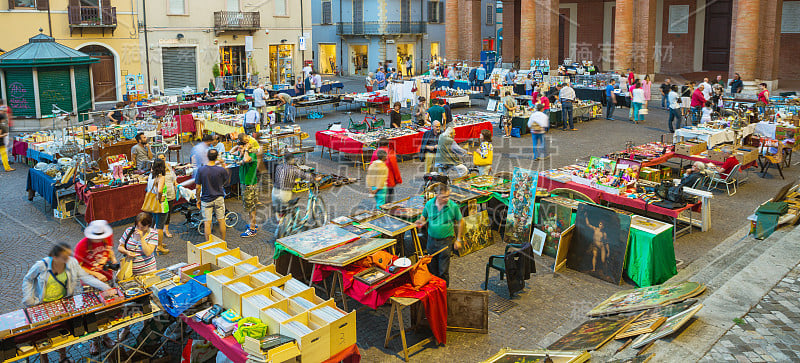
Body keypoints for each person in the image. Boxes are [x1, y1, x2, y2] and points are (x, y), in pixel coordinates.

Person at [23, 243, 111, 363]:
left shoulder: (71, 263)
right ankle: (45, 359)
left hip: (63, 302)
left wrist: (106, 288)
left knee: (61, 331)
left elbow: (86, 277)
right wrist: (29, 299)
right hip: (43, 304)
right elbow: (28, 279)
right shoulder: (41, 265)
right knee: (43, 334)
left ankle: (62, 356)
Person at [74, 220, 117, 354]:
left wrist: (113, 260)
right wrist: (95, 274)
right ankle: (94, 341)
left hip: (107, 278)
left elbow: (109, 250)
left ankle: (106, 336)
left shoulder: (107, 237)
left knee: (107, 310)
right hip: (89, 283)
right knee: (92, 312)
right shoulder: (82, 246)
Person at [414, 184, 463, 286]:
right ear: (437, 195)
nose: (447, 199)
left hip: (445, 241)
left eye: (448, 196)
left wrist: (458, 239)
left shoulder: (453, 206)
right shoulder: (429, 204)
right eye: (444, 197)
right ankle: (435, 290)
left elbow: (460, 221)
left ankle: (445, 291)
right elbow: (424, 216)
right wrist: (421, 221)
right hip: (431, 241)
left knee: (443, 270)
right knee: (432, 267)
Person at [195, 149, 230, 241]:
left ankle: (208, 243)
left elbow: (198, 187)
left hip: (206, 199)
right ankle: (223, 240)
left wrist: (198, 199)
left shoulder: (201, 170)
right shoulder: (221, 170)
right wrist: (223, 164)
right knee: (221, 220)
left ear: (207, 156)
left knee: (207, 222)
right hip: (218, 197)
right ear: (217, 157)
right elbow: (227, 180)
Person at [231, 133, 261, 237]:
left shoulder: (250, 155)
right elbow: (231, 152)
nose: (238, 149)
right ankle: (253, 224)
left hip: (249, 185)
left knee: (250, 208)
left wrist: (246, 149)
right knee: (251, 207)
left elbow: (245, 160)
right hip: (247, 184)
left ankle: (252, 229)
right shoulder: (244, 153)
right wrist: (239, 147)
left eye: (240, 147)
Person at [147, 158, 170, 254]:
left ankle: (157, 242)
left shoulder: (150, 176)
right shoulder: (161, 177)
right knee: (160, 226)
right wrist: (160, 197)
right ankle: (159, 247)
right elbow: (160, 190)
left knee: (155, 224)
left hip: (152, 204)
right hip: (161, 205)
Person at [371, 139, 402, 203]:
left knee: (380, 199)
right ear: (387, 144)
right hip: (389, 180)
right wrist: (398, 179)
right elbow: (395, 168)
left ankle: (380, 209)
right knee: (389, 197)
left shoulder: (375, 153)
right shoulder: (390, 153)